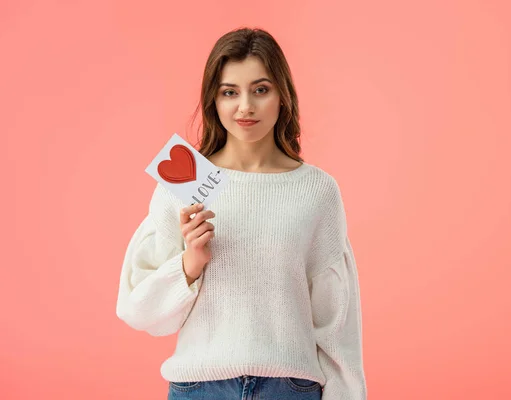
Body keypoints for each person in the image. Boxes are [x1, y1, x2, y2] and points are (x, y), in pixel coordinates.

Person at [116, 27, 367, 400]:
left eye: (260, 90)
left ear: (282, 96)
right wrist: (189, 264)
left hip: (290, 389)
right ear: (213, 100)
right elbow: (139, 311)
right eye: (229, 92)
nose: (245, 106)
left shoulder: (316, 191)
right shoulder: (183, 184)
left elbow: (336, 321)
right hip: (199, 388)